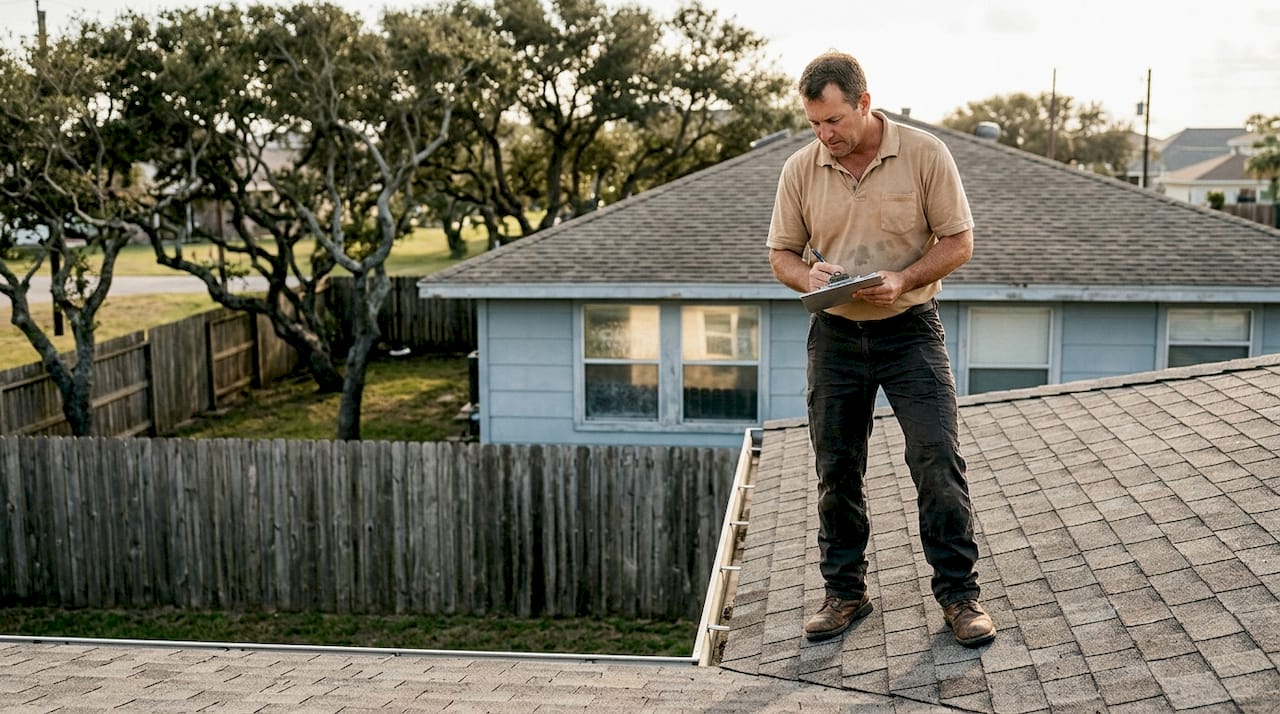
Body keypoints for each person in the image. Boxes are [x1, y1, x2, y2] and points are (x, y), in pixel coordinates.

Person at [766, 51, 996, 648]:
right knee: (835, 469)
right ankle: (845, 593)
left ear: (865, 103)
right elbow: (782, 255)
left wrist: (905, 279)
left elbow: (960, 240)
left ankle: (960, 596)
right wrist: (807, 279)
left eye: (834, 121)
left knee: (937, 458)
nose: (825, 135)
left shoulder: (924, 154)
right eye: (815, 123)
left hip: (910, 329)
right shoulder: (801, 168)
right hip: (836, 337)